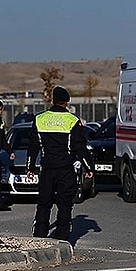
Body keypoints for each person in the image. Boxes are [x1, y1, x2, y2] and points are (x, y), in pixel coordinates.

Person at [26, 86, 94, 240]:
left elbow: (33, 147)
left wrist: (29, 167)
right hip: (65, 169)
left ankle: (39, 237)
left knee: (44, 203)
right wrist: (88, 167)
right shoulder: (72, 120)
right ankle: (62, 238)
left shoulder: (39, 119)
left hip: (47, 169)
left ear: (52, 100)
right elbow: (79, 147)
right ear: (67, 102)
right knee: (64, 204)